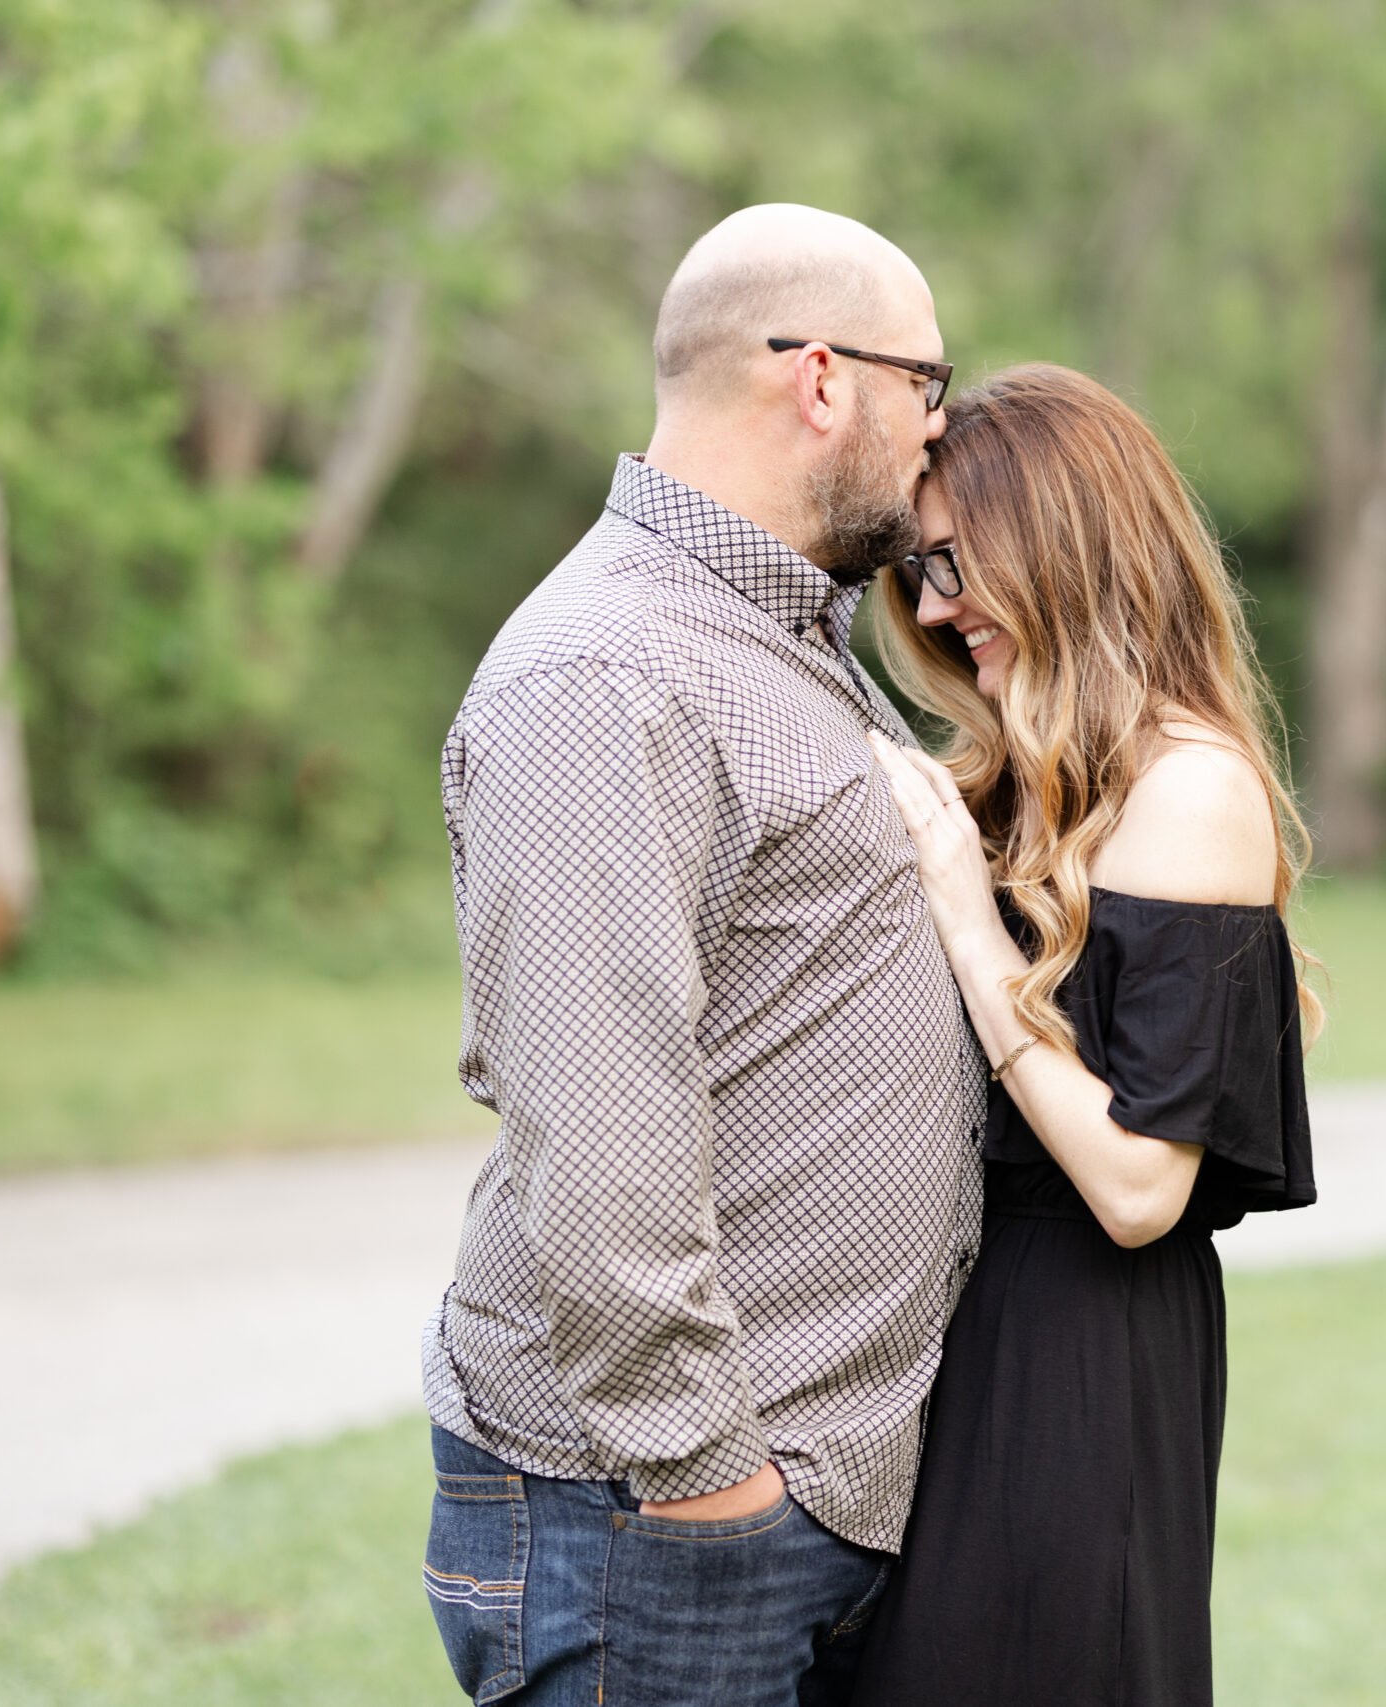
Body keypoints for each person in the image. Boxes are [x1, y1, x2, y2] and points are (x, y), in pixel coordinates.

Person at [418, 205, 985, 1707]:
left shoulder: (774, 632)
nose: (940, 436)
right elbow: (598, 1124)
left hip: (773, 1499)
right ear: (820, 381)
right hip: (661, 1517)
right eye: (928, 386)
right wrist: (708, 1478)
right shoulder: (612, 672)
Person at [850, 363, 1319, 1706]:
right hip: (954, 1328)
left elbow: (1134, 1187)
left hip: (1077, 1355)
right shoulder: (1020, 778)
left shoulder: (1190, 791)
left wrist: (965, 915)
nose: (937, 608)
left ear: (1067, 545)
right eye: (919, 568)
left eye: (958, 564)